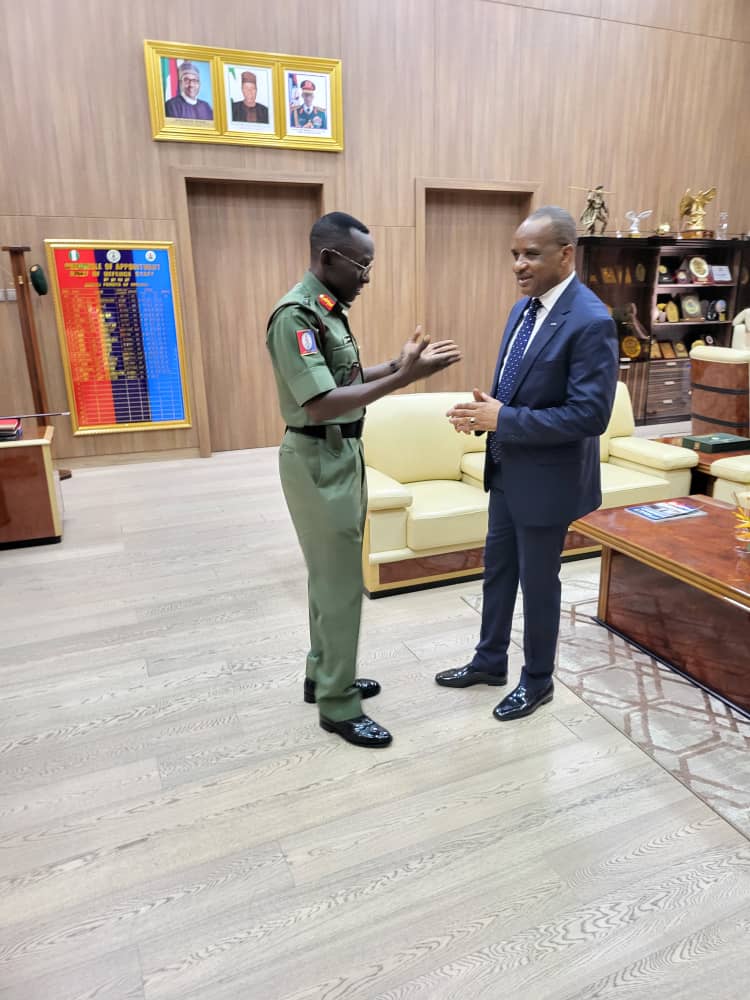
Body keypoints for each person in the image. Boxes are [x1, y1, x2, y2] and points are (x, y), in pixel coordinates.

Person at [266, 212, 461, 748]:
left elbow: (344, 378)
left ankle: (321, 674)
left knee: (329, 581)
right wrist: (405, 378)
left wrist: (395, 364)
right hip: (316, 458)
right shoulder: (295, 316)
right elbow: (322, 401)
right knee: (341, 586)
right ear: (328, 258)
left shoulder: (327, 310)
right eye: (362, 264)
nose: (368, 276)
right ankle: (337, 703)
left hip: (341, 455)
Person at [435, 206, 618, 721]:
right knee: (498, 571)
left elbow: (589, 416)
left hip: (549, 481)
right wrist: (484, 415)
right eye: (515, 254)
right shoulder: (523, 309)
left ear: (565, 254)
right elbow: (515, 390)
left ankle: (537, 681)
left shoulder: (591, 320)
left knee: (539, 585)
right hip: (507, 471)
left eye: (531, 255)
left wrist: (504, 418)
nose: (518, 264)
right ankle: (489, 661)